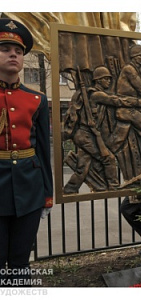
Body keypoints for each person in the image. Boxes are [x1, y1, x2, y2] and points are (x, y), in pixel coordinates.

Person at [0, 18, 53, 286]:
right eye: (5, 48)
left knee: (21, 262)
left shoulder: (37, 99)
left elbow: (43, 149)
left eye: (18, 51)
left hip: (29, 190)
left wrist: (47, 194)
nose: (13, 54)